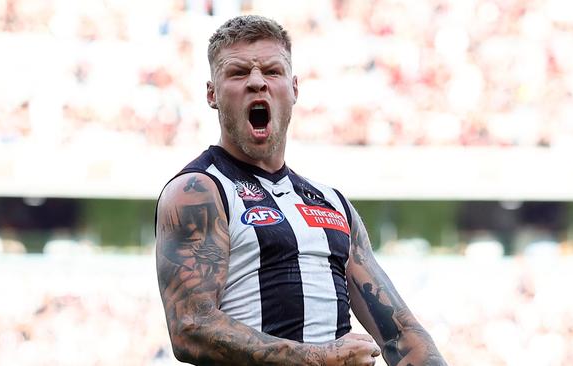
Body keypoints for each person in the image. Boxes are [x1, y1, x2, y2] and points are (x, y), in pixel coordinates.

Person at [155, 15, 447, 366]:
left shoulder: (332, 203)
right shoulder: (199, 190)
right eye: (238, 73)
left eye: (272, 71)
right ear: (212, 94)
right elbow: (190, 327)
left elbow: (401, 335)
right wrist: (317, 358)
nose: (257, 82)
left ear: (294, 89)